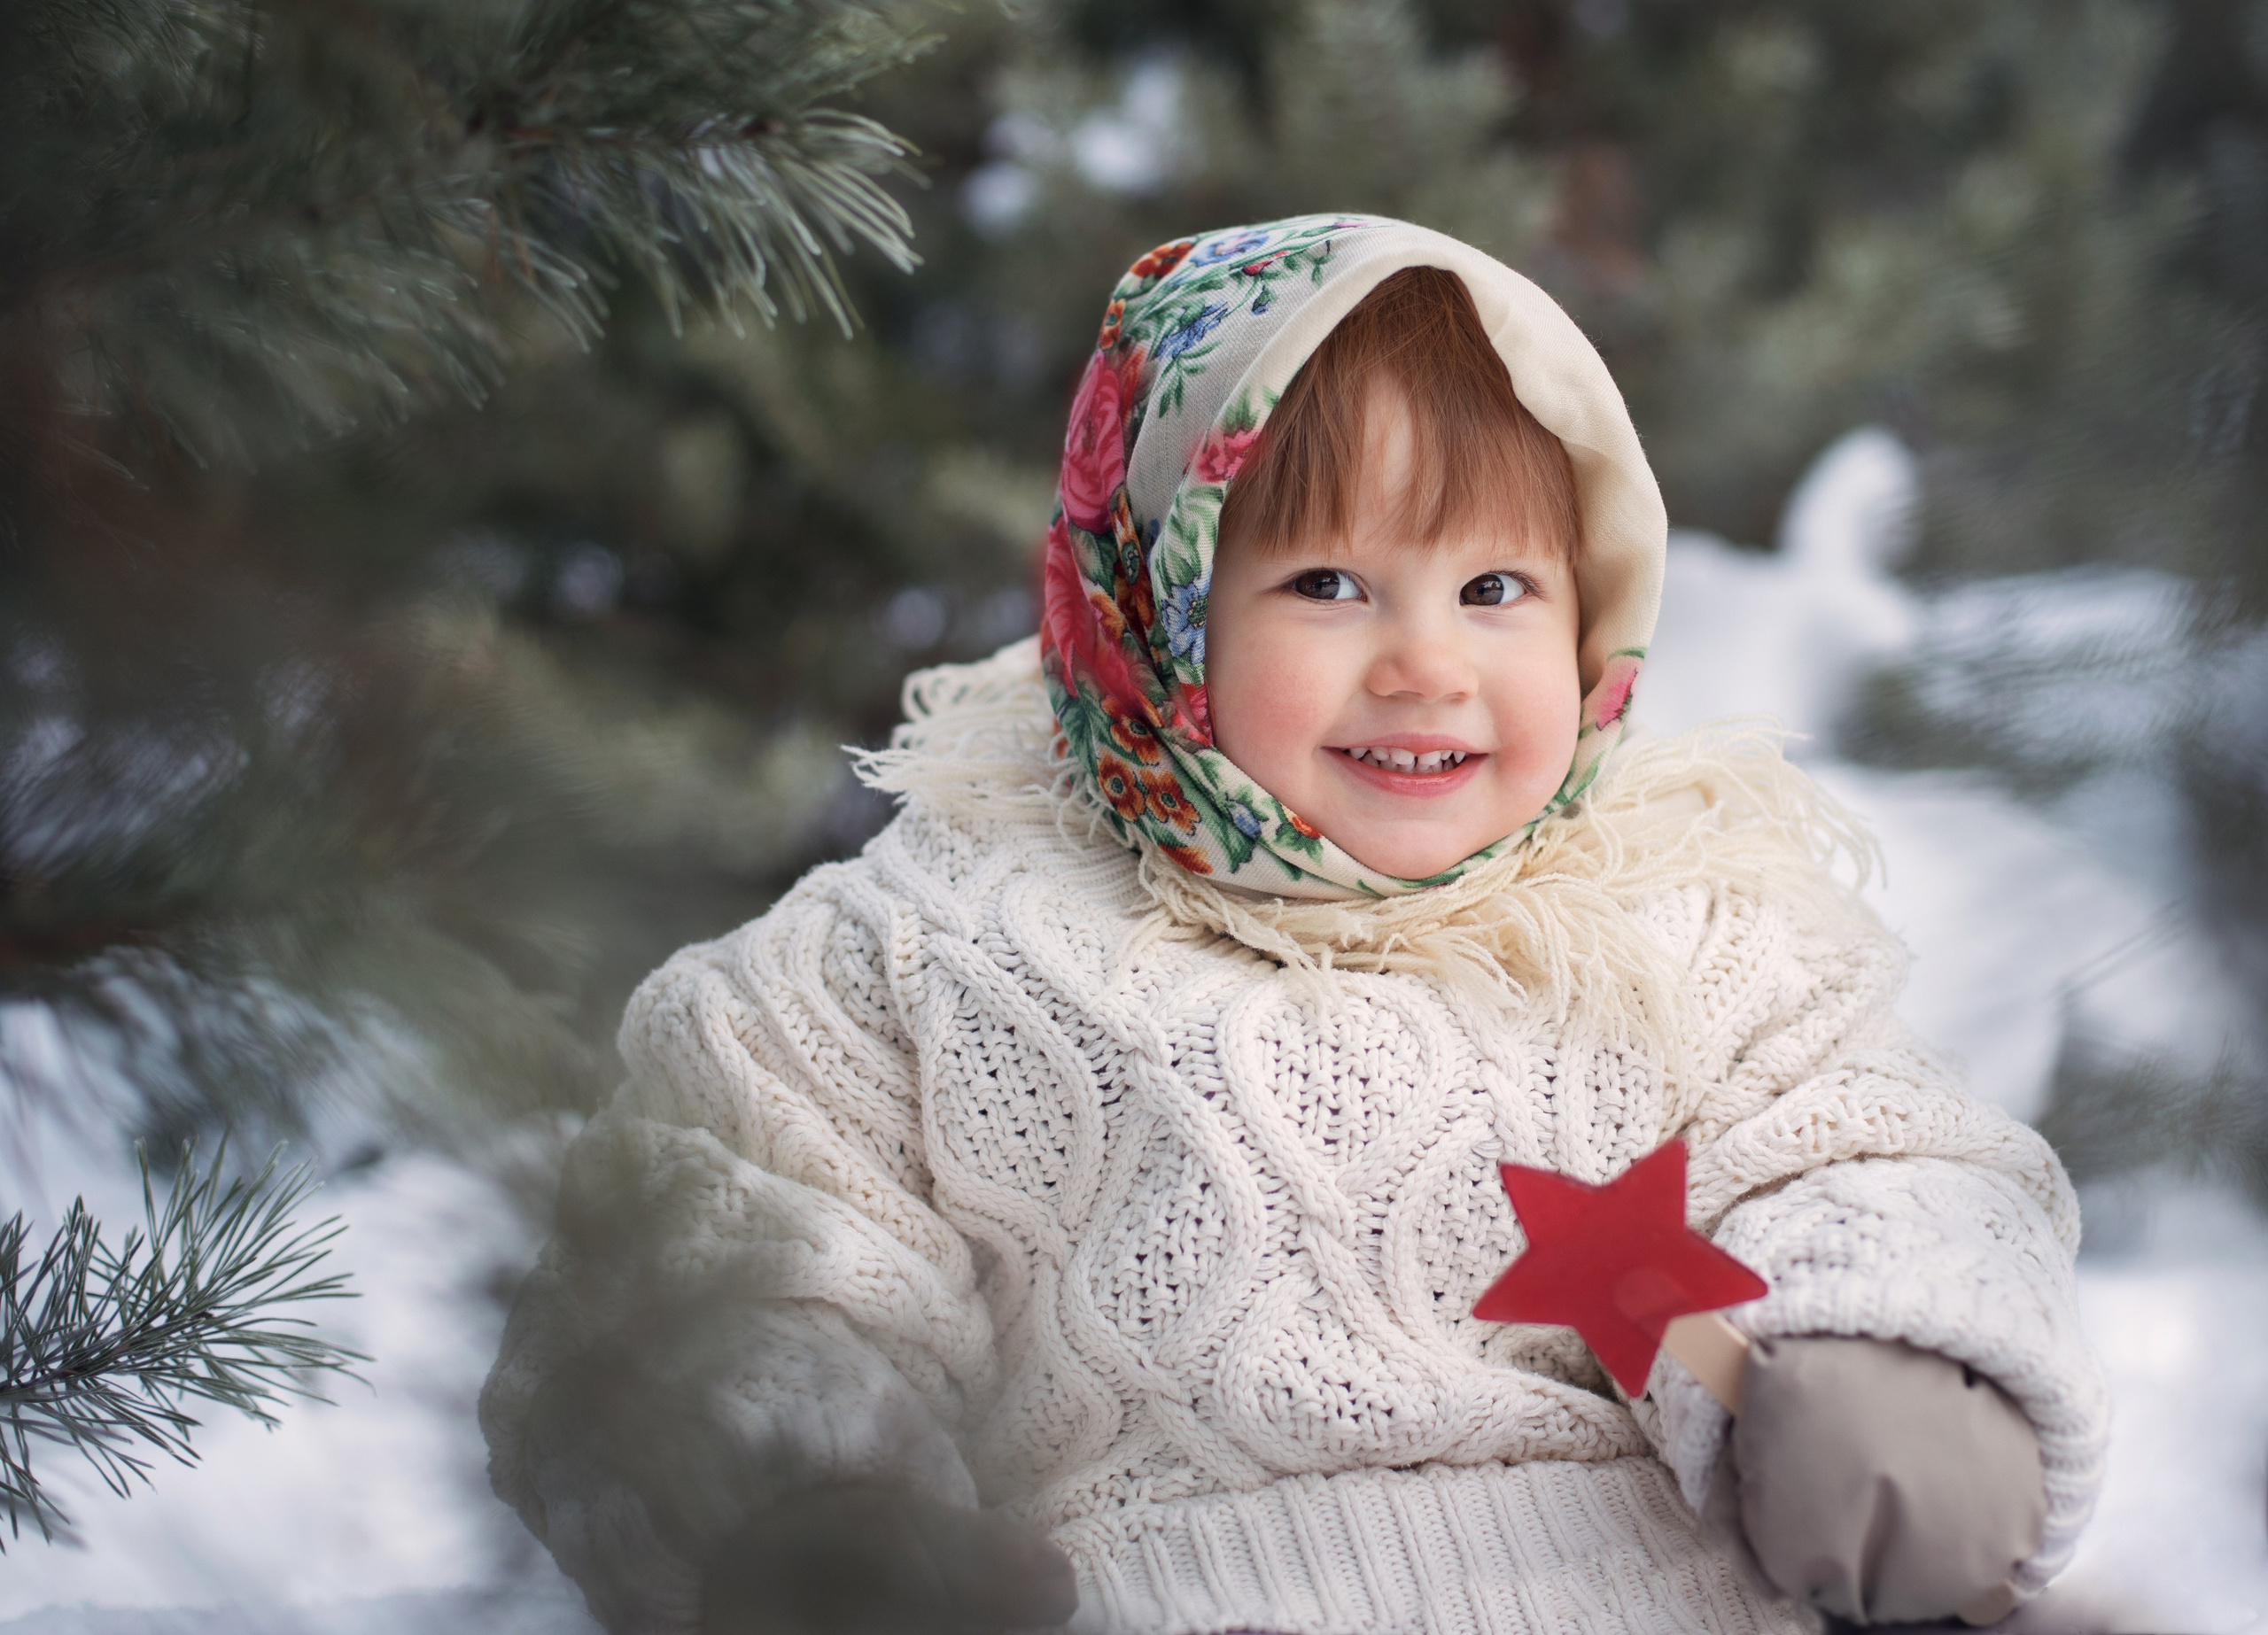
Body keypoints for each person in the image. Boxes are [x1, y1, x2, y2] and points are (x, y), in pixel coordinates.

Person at [480, 214, 2107, 1635]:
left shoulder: (1681, 920)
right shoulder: (935, 942)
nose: (1427, 664)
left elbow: (1865, 1151)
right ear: (1158, 605)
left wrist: (1886, 1355)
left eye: (1495, 591)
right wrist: (803, 1505)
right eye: (1329, 582)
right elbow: (734, 1225)